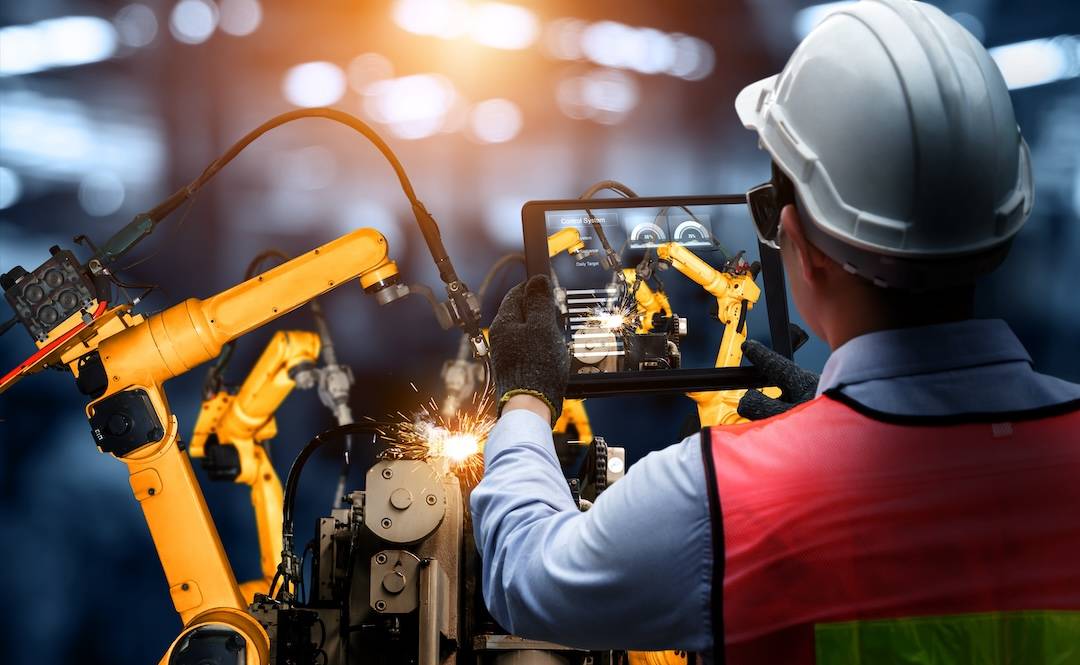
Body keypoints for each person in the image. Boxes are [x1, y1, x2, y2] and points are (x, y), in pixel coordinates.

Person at [469, 0, 1080, 662]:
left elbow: (526, 577)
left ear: (803, 247)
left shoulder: (720, 496)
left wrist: (526, 393)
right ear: (1006, 224)